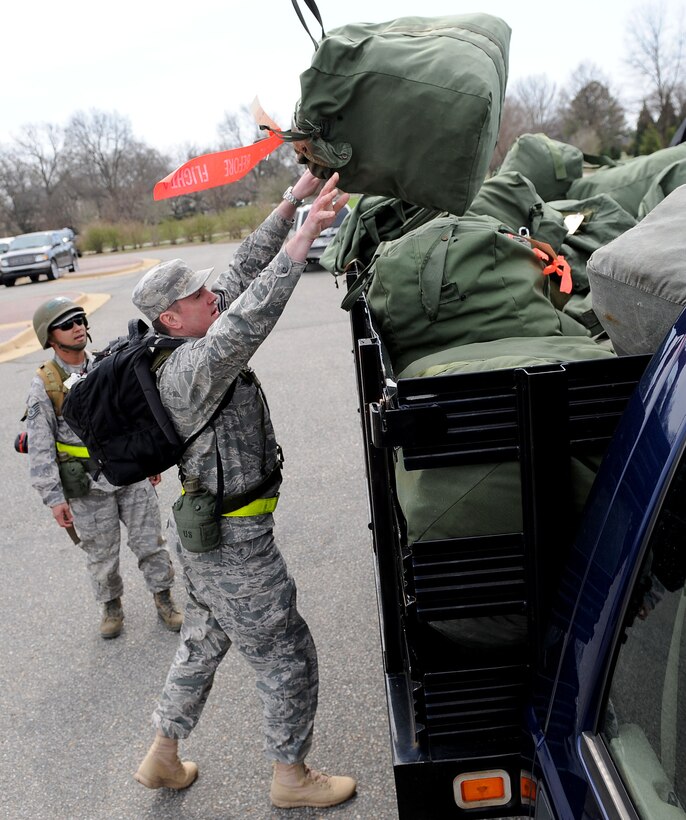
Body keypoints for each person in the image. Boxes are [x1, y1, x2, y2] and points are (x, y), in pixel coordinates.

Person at [131, 171, 356, 810]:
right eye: (201, 296)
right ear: (172, 317)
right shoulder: (191, 366)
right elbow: (253, 313)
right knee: (286, 651)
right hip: (233, 542)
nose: (215, 296)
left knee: (206, 635)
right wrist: (308, 233)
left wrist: (293, 197)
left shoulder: (188, 329)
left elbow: (243, 268)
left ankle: (163, 755)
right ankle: (291, 776)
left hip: (207, 534)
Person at [25, 297, 183, 639]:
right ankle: (111, 606)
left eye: (80, 319)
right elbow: (39, 445)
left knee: (150, 543)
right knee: (101, 555)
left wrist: (148, 459)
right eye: (67, 324)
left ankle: (164, 598)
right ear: (50, 337)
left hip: (128, 473)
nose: (78, 326)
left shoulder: (104, 366)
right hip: (87, 486)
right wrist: (54, 498)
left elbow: (130, 417)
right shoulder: (45, 385)